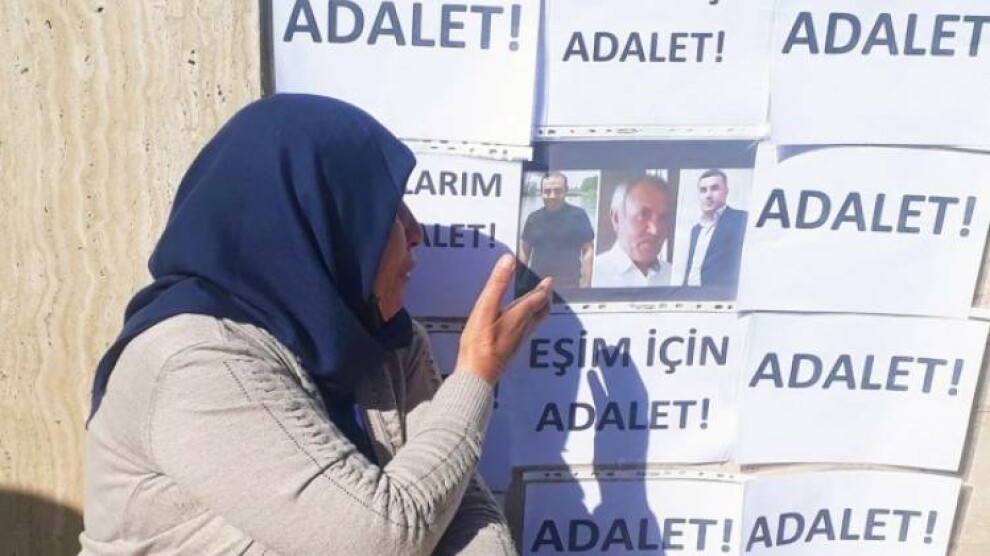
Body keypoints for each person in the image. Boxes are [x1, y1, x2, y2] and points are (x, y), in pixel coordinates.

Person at [80, 95, 551, 555]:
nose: (416, 233)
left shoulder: (387, 341)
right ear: (326, 221)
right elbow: (379, 540)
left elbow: (457, 499)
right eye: (389, 210)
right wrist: (475, 376)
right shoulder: (192, 362)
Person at [593, 175, 673, 287]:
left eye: (662, 218)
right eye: (643, 215)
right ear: (616, 219)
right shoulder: (593, 275)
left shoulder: (675, 276)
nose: (655, 230)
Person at [517, 172, 594, 288]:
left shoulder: (579, 215)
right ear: (541, 192)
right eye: (547, 191)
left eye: (558, 191)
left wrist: (586, 285)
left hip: (570, 285)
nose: (552, 196)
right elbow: (524, 251)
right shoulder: (533, 218)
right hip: (537, 285)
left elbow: (588, 250)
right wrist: (519, 283)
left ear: (566, 190)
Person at [682, 169, 747, 287]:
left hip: (719, 294)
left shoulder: (741, 219)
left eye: (714, 188)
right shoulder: (696, 229)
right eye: (703, 190)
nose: (708, 195)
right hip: (690, 294)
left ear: (726, 191)